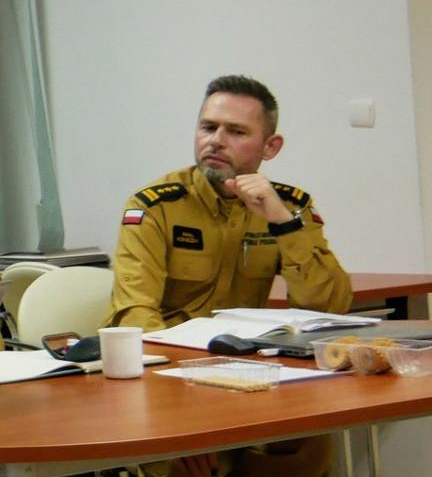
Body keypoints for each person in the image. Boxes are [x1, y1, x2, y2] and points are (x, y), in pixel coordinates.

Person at [106, 75, 351, 477]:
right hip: (168, 381)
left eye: (236, 131)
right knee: (191, 465)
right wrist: (178, 417)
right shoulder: (155, 206)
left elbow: (330, 304)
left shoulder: (288, 206)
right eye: (208, 127)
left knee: (307, 445)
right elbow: (135, 314)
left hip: (247, 377)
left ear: (270, 147)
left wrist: (282, 223)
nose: (216, 141)